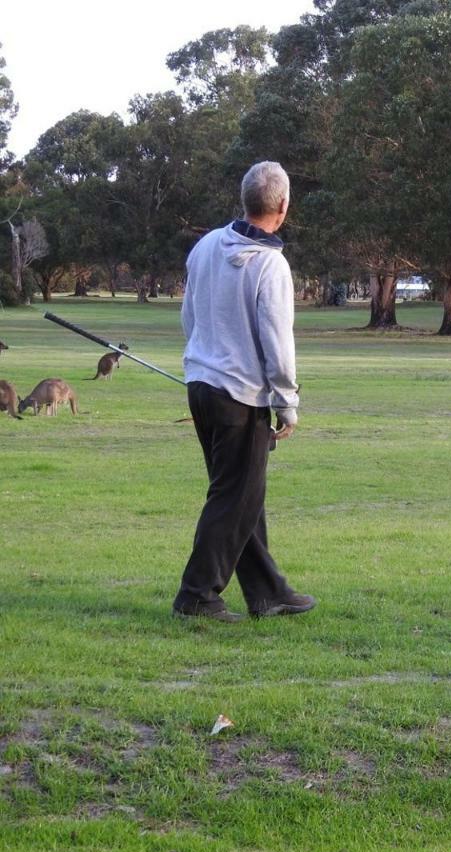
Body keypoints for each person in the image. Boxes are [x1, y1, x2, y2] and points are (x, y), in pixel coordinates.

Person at [172, 161, 315, 623]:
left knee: (241, 493)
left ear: (244, 199)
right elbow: (277, 341)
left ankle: (268, 591)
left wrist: (202, 358)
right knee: (234, 496)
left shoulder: (207, 245)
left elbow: (189, 317)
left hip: (201, 386)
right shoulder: (271, 265)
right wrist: (287, 403)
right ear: (284, 206)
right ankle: (196, 596)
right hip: (240, 396)